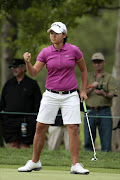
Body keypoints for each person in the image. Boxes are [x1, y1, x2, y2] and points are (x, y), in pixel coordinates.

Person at [18, 22, 89, 174]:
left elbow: (83, 70)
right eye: (51, 33)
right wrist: (28, 62)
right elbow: (34, 73)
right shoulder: (45, 52)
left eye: (56, 33)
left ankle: (75, 165)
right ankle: (35, 162)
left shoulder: (74, 50)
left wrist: (83, 90)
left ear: (64, 35)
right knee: (40, 127)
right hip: (50, 94)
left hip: (70, 95)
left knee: (73, 128)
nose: (53, 35)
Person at [0, 59, 42, 148]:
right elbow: (2, 101)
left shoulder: (32, 84)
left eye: (16, 67)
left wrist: (34, 117)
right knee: (13, 143)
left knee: (24, 144)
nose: (14, 69)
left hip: (27, 120)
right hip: (10, 120)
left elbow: (38, 102)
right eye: (12, 68)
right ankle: (13, 160)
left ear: (23, 68)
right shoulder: (9, 84)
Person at [84, 52, 118, 152]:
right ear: (93, 63)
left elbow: (113, 93)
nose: (97, 64)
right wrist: (91, 88)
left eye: (99, 62)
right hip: (90, 110)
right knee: (88, 140)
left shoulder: (109, 77)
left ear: (104, 62)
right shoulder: (87, 76)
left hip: (105, 111)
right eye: (95, 62)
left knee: (106, 140)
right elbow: (82, 93)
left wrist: (104, 93)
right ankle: (88, 159)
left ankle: (105, 159)